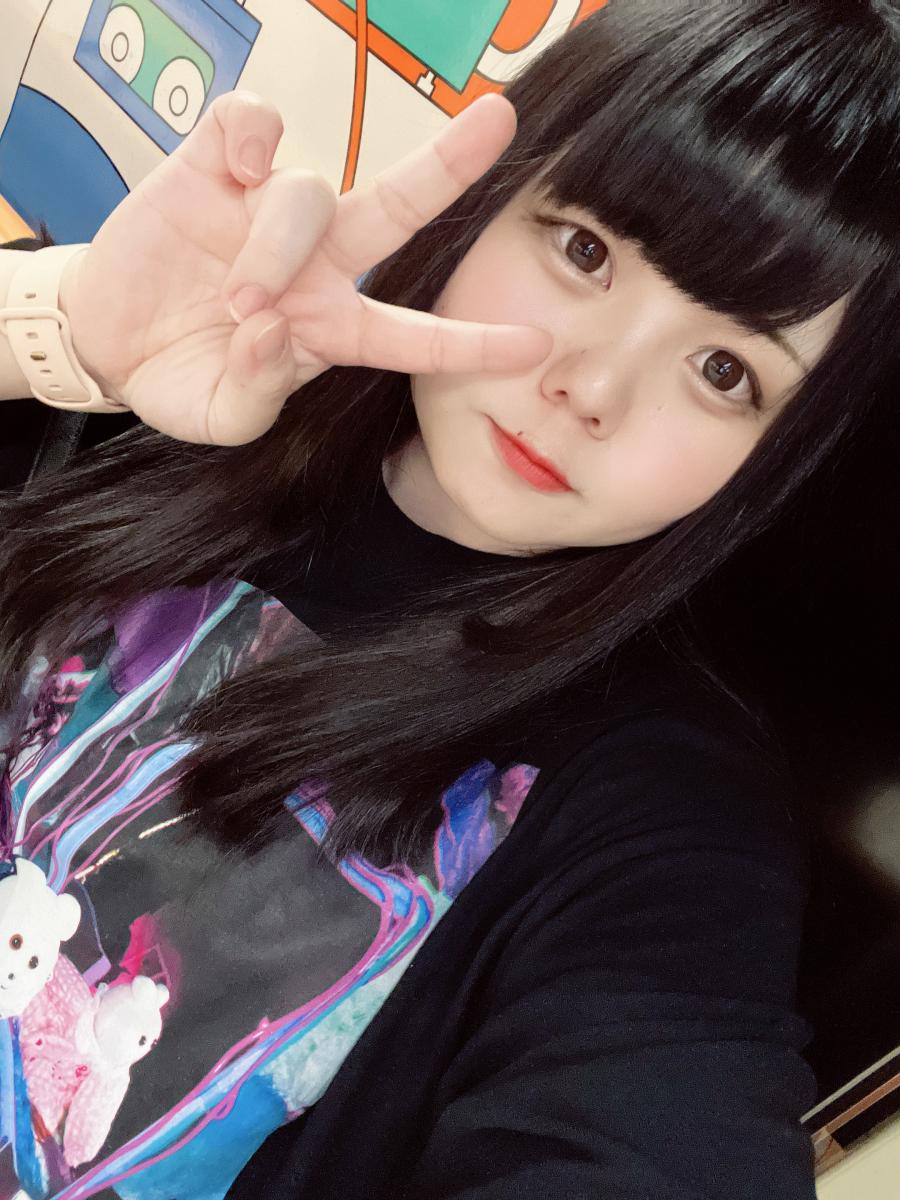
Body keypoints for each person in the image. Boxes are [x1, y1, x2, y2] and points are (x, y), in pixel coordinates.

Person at [0, 1, 896, 1197]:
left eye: (725, 370)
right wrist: (60, 332)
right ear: (492, 199)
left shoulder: (657, 813)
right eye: (586, 252)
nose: (590, 387)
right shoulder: (179, 382)